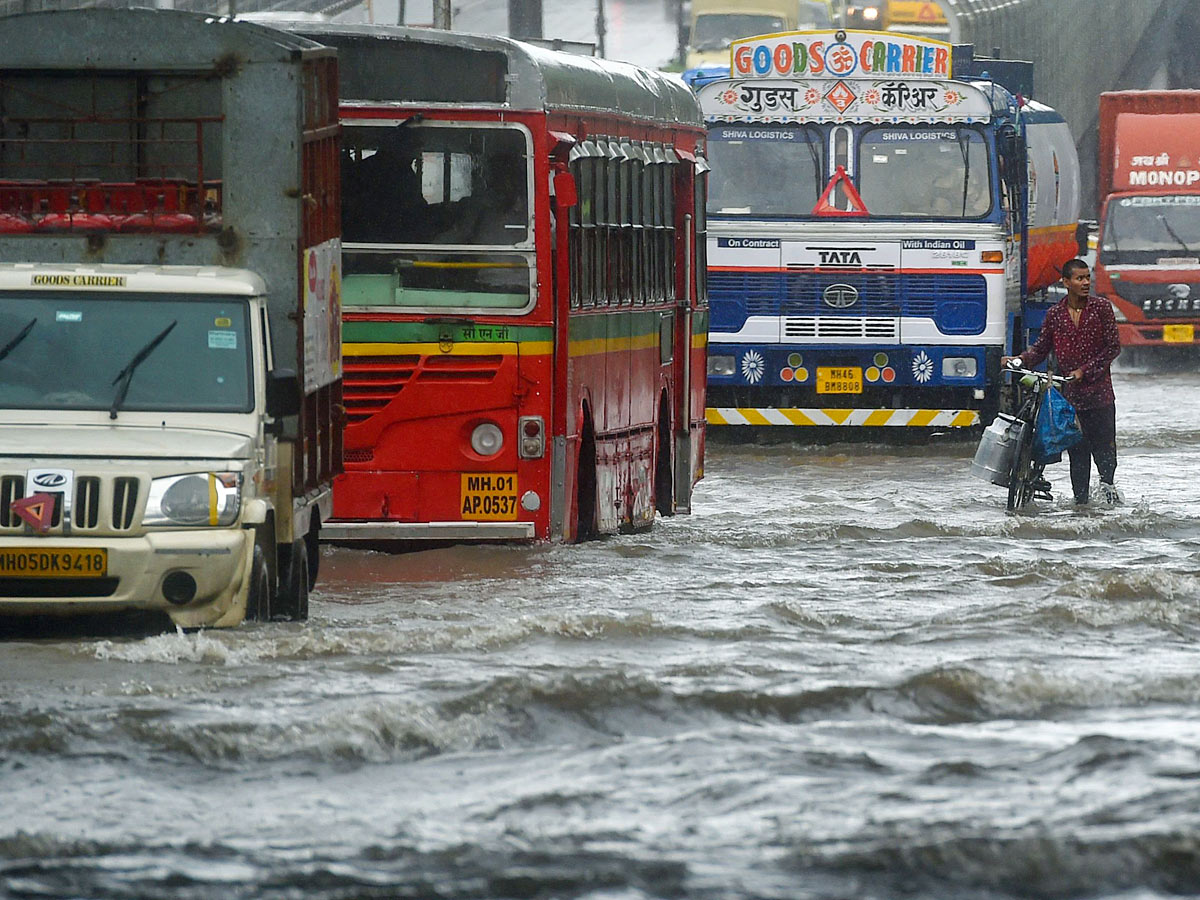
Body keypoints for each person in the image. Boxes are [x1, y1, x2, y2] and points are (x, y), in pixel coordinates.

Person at [1002, 259, 1122, 505]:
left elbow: (1113, 348)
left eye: (1087, 277)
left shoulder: (1101, 309)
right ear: (1066, 283)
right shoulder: (1055, 314)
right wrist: (1019, 360)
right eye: (1079, 278)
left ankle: (1109, 497)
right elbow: (1040, 349)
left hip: (1100, 396)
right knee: (1078, 455)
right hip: (1070, 400)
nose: (1085, 283)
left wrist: (1085, 371)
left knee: (1105, 453)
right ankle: (1082, 508)